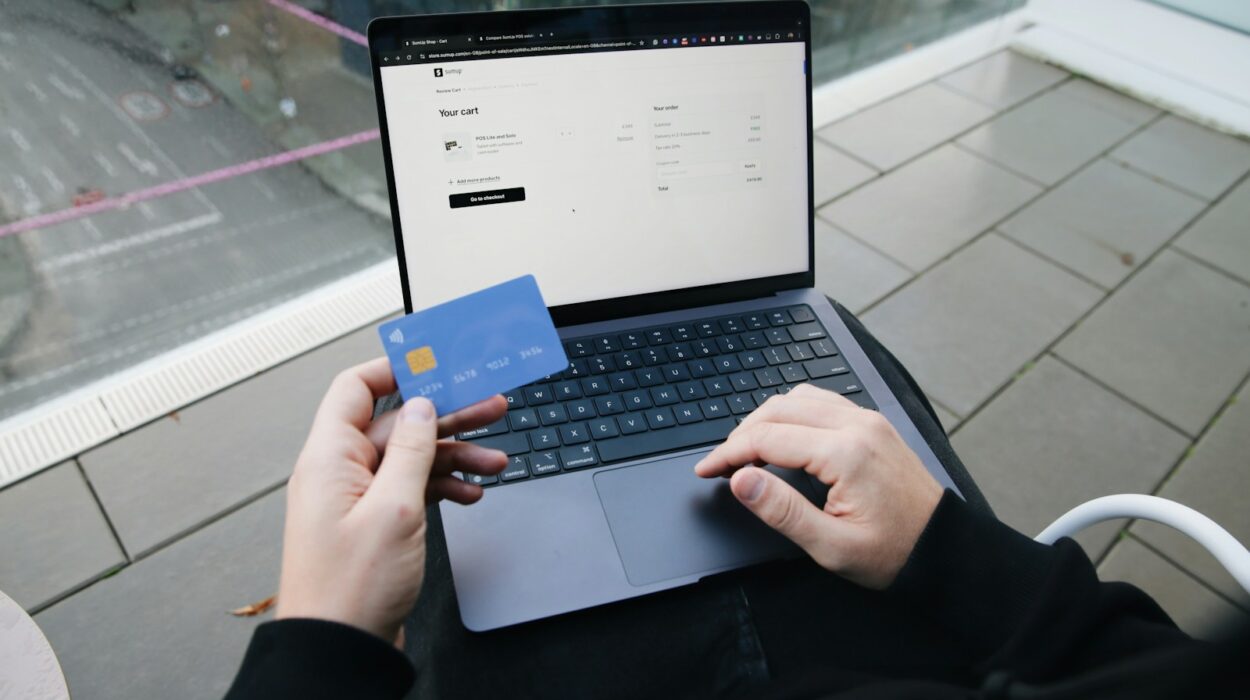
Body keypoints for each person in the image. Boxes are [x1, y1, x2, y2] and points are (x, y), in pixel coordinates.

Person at [225, 305, 1248, 700]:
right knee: (829, 334)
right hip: (946, 622)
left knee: (465, 491)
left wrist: (324, 633)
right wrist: (939, 546)